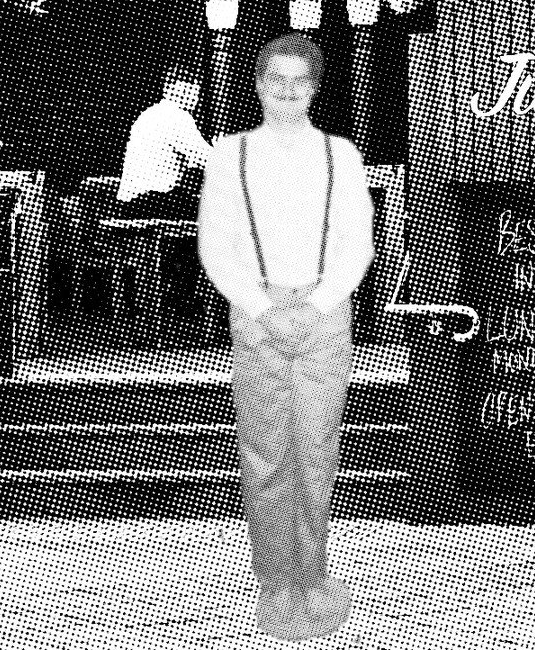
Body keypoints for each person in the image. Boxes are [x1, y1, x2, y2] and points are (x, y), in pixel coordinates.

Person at [197, 32, 375, 642]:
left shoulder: (340, 155)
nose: (288, 91)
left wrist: (318, 304)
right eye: (277, 79)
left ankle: (314, 580)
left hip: (325, 314)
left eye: (301, 81)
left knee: (317, 452)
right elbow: (216, 243)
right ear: (258, 83)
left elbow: (356, 241)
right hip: (256, 314)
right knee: (266, 455)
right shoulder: (230, 154)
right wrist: (260, 306)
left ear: (315, 88)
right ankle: (276, 587)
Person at [115, 67, 211, 315]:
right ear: (172, 88)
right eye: (190, 88)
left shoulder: (149, 114)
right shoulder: (177, 117)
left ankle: (177, 291)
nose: (195, 96)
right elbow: (205, 158)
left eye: (196, 91)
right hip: (152, 202)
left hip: (130, 203)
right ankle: (185, 296)